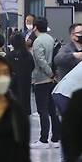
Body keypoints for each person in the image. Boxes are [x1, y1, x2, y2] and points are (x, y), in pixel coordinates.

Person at [31, 17, 60, 148]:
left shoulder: (37, 42)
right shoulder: (51, 39)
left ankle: (43, 139)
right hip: (52, 80)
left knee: (42, 110)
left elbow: (40, 60)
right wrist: (53, 75)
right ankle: (55, 138)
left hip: (42, 79)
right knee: (52, 110)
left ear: (35, 27)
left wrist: (50, 73)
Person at [7, 32, 34, 116]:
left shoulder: (9, 56)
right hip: (25, 83)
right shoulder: (28, 55)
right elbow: (32, 66)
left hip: (13, 85)